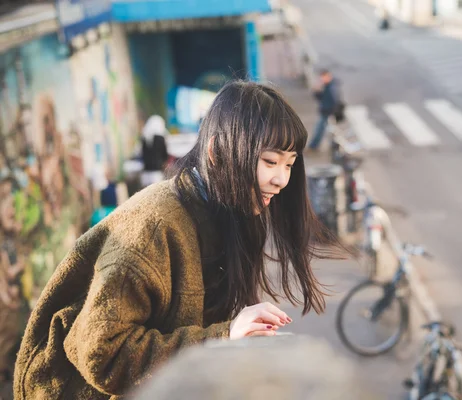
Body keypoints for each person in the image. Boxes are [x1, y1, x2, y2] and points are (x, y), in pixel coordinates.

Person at [13, 81, 344, 399]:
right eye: (270, 162)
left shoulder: (232, 212)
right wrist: (224, 337)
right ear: (216, 152)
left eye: (289, 164)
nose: (281, 179)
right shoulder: (154, 226)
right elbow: (102, 353)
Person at [308, 69, 344, 151]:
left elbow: (333, 100)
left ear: (328, 76)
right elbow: (321, 97)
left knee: (321, 129)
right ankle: (333, 146)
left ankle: (314, 146)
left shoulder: (331, 87)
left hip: (327, 112)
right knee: (329, 130)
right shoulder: (328, 85)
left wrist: (331, 111)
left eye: (323, 78)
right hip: (327, 111)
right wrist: (316, 92)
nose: (322, 80)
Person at [140, 114, 169, 187]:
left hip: (146, 172)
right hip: (157, 171)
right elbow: (164, 154)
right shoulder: (161, 138)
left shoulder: (144, 137)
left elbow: (142, 154)